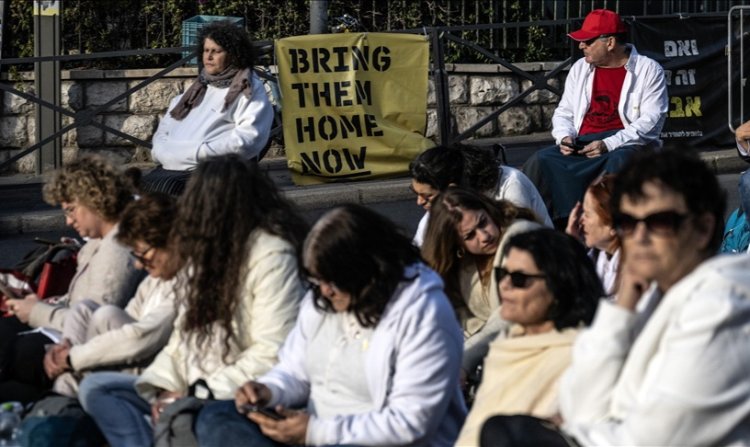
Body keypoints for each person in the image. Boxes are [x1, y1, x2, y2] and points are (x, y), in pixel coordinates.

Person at [479, 150, 750, 446]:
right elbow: (578, 402)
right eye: (629, 224)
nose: (640, 237)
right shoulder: (650, 295)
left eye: (659, 222)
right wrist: (622, 309)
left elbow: (655, 437)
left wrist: (577, 428)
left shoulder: (724, 303)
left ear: (703, 228)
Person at [79, 155, 307, 447]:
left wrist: (195, 392)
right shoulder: (204, 255)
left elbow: (271, 352)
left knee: (207, 422)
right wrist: (162, 387)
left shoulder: (271, 255)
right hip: (192, 386)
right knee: (97, 388)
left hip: (235, 393)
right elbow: (181, 343)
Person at [194, 204, 466, 446]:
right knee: (215, 417)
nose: (324, 292)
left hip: (369, 439)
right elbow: (295, 371)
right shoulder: (322, 300)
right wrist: (268, 391)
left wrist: (316, 432)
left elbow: (409, 424)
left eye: (332, 282)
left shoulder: (425, 313)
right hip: (316, 430)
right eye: (316, 282)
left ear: (367, 272)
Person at [0, 155, 143, 404]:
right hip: (62, 329)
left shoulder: (118, 250)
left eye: (70, 210)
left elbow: (93, 321)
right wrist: (39, 303)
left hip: (78, 344)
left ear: (94, 200)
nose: (68, 220)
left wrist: (37, 311)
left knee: (16, 352)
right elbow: (77, 300)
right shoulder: (100, 241)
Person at [456, 228, 601, 446]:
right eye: (501, 275)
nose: (504, 285)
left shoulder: (580, 356)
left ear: (559, 285)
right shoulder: (507, 344)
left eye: (519, 279)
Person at [522, 9, 668, 224]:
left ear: (609, 43)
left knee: (621, 161)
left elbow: (651, 122)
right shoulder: (580, 68)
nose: (581, 46)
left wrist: (609, 143)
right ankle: (532, 227)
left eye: (588, 41)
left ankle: (607, 226)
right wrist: (564, 137)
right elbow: (565, 112)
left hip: (625, 144)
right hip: (583, 143)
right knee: (541, 160)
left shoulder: (649, 69)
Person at [43, 192, 179, 397]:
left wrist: (72, 357)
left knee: (102, 317)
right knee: (85, 310)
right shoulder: (154, 279)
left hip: (155, 375)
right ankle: (63, 394)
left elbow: (140, 337)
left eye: (143, 254)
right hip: (131, 357)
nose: (138, 264)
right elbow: (130, 315)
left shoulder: (186, 281)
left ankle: (65, 395)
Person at [142, 21, 274, 194]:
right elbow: (164, 129)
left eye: (216, 51)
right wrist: (163, 152)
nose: (208, 57)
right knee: (133, 194)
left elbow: (248, 140)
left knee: (164, 195)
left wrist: (196, 153)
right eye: (206, 50)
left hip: (214, 172)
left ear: (234, 55)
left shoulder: (248, 89)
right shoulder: (196, 89)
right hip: (171, 167)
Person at [421, 188, 540, 375]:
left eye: (483, 222)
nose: (484, 236)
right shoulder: (462, 264)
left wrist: (464, 360)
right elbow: (459, 315)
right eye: (470, 236)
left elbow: (512, 312)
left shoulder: (522, 237)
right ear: (456, 244)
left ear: (489, 210)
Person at [410, 143, 551, 246]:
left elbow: (516, 243)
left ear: (452, 189)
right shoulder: (441, 208)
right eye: (415, 193)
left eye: (427, 196)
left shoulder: (511, 185)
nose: (419, 202)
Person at [565, 174, 621, 296]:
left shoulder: (633, 270)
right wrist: (571, 246)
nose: (579, 221)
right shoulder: (598, 255)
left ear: (613, 226)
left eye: (587, 214)